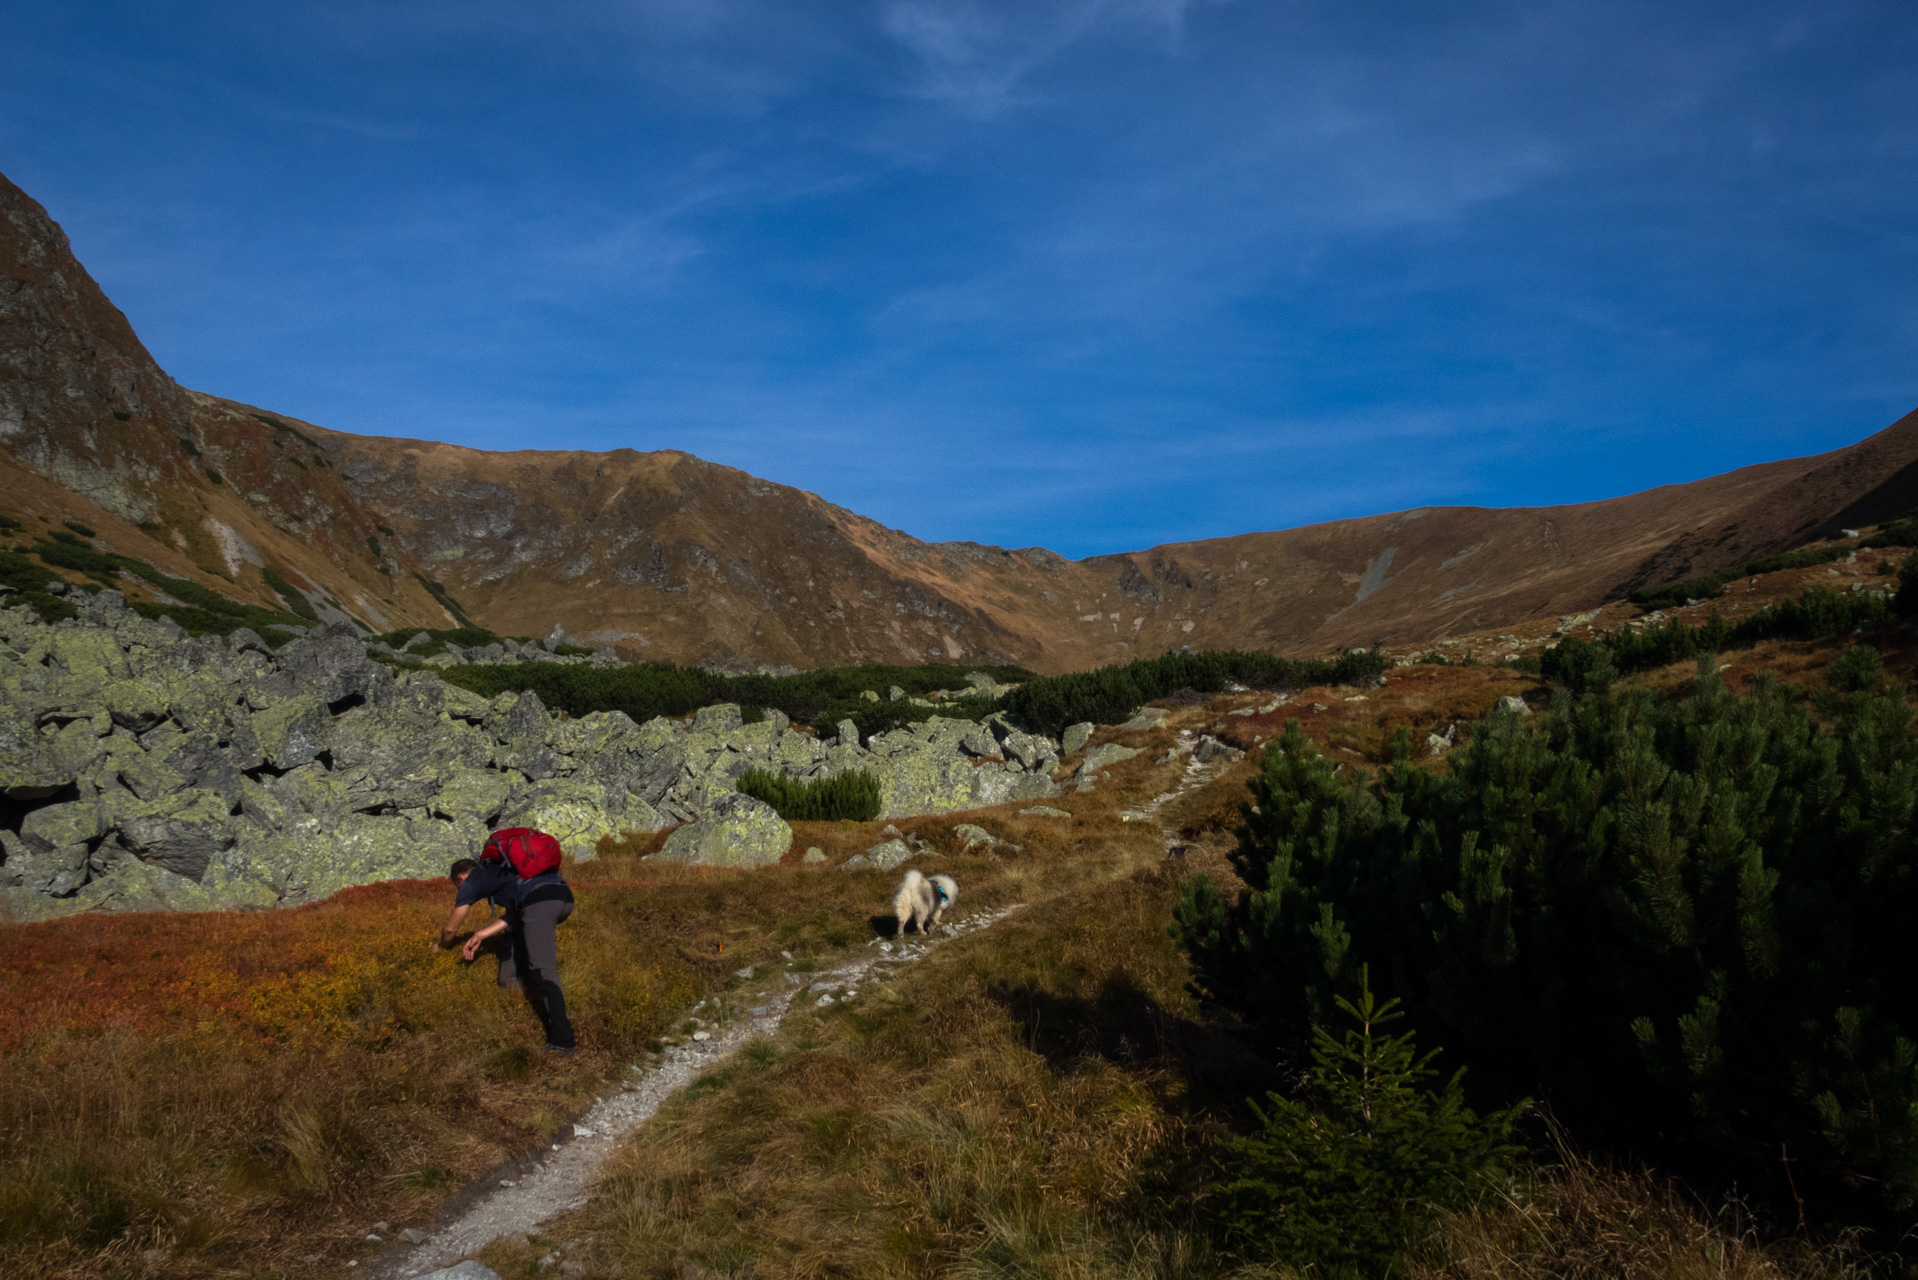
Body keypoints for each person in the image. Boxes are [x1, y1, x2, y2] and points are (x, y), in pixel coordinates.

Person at [436, 851, 577, 1054]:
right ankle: (514, 987)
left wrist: (443, 947)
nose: (460, 890)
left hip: (541, 903)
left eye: (458, 886)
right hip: (563, 896)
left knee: (543, 967)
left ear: (461, 878)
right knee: (515, 933)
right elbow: (517, 911)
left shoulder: (472, 881)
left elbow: (450, 929)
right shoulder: (500, 870)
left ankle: (563, 1041)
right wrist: (482, 934)